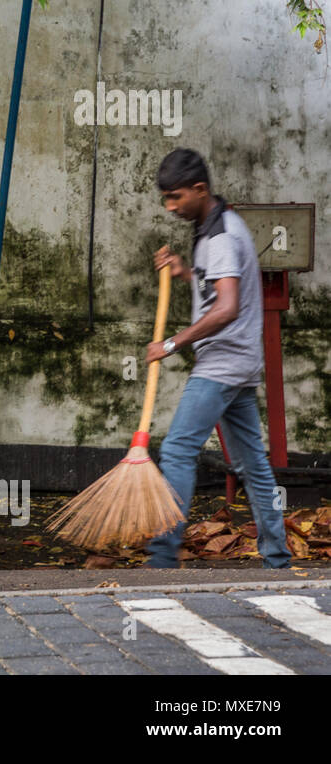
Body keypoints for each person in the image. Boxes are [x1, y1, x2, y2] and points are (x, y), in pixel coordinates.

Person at [144, 148, 290, 569]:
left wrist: (171, 344)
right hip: (239, 362)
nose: (171, 207)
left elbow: (225, 308)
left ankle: (161, 557)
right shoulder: (214, 230)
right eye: (165, 199)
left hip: (222, 363)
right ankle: (278, 560)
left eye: (176, 198)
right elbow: (219, 286)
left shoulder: (222, 235)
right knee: (253, 465)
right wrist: (185, 272)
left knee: (176, 451)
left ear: (200, 189)